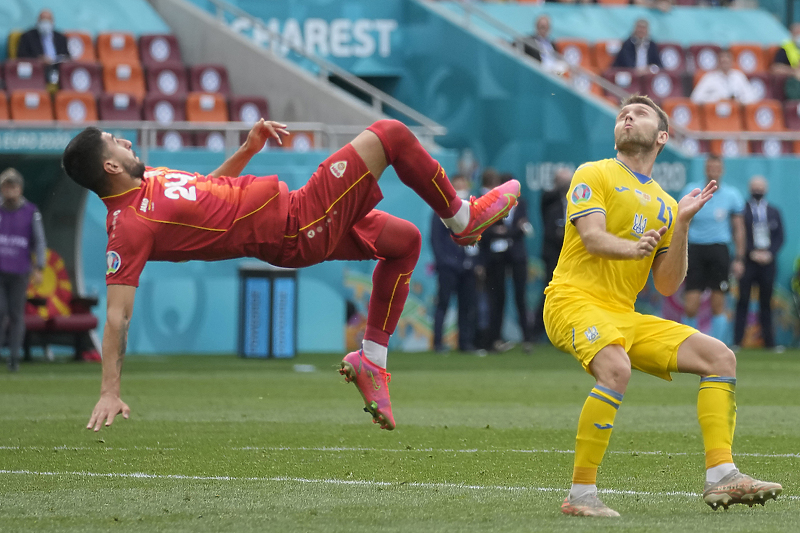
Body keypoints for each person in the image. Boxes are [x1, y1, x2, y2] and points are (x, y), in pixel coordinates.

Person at [60, 119, 520, 432]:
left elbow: (210, 190)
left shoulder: (148, 181)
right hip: (297, 222)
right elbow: (117, 317)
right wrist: (108, 391)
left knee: (404, 242)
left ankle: (373, 362)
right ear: (110, 167)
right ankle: (463, 219)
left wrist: (247, 149)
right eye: (114, 141)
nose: (124, 140)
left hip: (296, 219)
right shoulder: (127, 229)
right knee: (391, 134)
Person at [544, 94, 782, 517]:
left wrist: (683, 222)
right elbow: (593, 237)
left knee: (720, 357)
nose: (626, 116)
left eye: (638, 113)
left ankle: (721, 474)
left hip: (623, 314)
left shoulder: (668, 205)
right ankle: (580, 496)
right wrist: (633, 248)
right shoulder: (594, 172)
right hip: (571, 300)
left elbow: (669, 283)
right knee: (616, 368)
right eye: (622, 114)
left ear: (662, 136)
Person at [681, 156, 745, 344]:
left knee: (719, 304)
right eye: (711, 167)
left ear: (722, 170)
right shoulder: (692, 191)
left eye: (717, 167)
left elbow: (738, 229)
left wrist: (740, 258)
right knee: (691, 305)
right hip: (695, 250)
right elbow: (681, 222)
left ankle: (717, 348)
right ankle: (690, 348)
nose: (714, 170)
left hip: (719, 250)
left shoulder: (732, 195)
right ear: (706, 169)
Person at [480, 173, 533, 352]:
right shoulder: (494, 203)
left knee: (520, 297)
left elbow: (522, 228)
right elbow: (487, 230)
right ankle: (495, 339)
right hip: (497, 257)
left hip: (517, 256)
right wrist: (508, 231)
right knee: (497, 297)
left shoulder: (522, 203)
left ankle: (527, 338)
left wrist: (505, 232)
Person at [0, 169, 46, 372]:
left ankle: (14, 357)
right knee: (0, 310)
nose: (9, 191)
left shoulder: (31, 212)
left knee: (16, 314)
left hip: (19, 270)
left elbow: (39, 241)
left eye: (13, 186)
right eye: (6, 186)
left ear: (20, 188)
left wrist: (40, 267)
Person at [733, 176, 784, 350]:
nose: (757, 190)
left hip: (768, 263)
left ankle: (770, 343)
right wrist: (751, 252)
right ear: (749, 188)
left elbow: (780, 237)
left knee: (766, 302)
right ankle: (737, 342)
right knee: (743, 300)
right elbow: (739, 233)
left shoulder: (774, 211)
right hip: (748, 261)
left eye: (760, 187)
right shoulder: (742, 211)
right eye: (755, 187)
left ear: (766, 189)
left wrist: (769, 253)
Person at [430, 175, 478, 352]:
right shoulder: (442, 208)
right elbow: (436, 238)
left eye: (464, 185)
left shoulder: (472, 208)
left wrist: (474, 262)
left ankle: (465, 343)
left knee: (466, 306)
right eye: (458, 186)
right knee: (443, 304)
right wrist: (444, 261)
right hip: (449, 266)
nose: (462, 189)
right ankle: (438, 343)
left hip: (468, 265)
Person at [531, 167, 571, 342]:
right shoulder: (550, 201)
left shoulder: (576, 202)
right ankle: (536, 330)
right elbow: (548, 197)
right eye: (564, 181)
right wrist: (560, 186)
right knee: (550, 292)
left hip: (570, 256)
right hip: (553, 255)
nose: (568, 185)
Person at [16, 9, 70, 84]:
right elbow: (21, 56)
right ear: (38, 21)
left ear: (52, 21)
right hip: (37, 71)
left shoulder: (61, 38)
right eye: (43, 20)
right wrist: (39, 59)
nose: (45, 23)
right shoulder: (27, 36)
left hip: (57, 71)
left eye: (48, 20)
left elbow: (67, 57)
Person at [691, 50, 759, 104]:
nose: (725, 63)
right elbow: (695, 98)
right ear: (718, 62)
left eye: (727, 60)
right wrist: (716, 99)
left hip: (736, 114)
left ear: (732, 61)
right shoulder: (709, 77)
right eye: (722, 61)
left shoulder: (739, 76)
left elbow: (752, 98)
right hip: (715, 114)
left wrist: (739, 100)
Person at [770, 23, 800, 100]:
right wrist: (793, 72)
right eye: (797, 33)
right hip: (793, 83)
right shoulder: (786, 49)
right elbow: (775, 68)